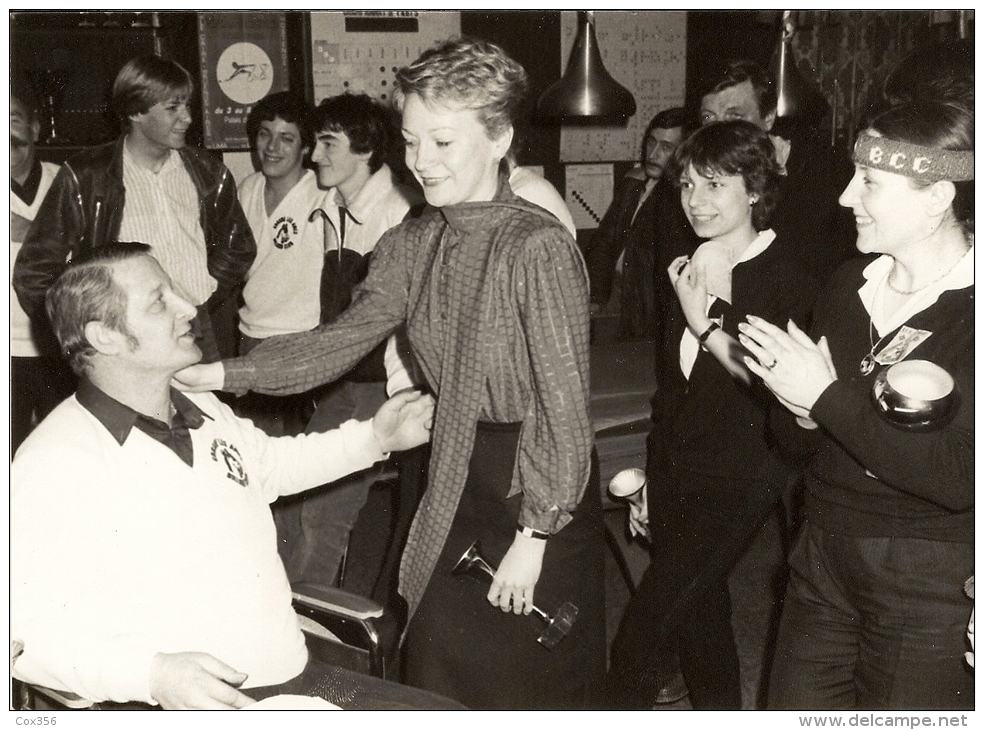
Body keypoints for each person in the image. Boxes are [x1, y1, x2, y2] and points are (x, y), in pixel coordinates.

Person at [175, 37, 606, 710]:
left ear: (499, 138)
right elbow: (338, 342)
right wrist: (223, 372)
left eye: (442, 143)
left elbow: (564, 406)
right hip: (451, 479)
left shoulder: (537, 246)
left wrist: (536, 535)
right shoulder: (414, 240)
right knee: (434, 659)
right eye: (410, 142)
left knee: (527, 685)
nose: (420, 164)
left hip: (534, 484)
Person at [10, 243, 455, 710]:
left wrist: (375, 437)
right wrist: (152, 676)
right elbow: (19, 634)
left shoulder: (201, 407)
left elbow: (272, 466)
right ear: (105, 337)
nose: (188, 306)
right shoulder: (56, 460)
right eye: (160, 301)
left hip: (294, 681)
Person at [739, 101, 974, 710]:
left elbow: (958, 476)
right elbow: (795, 444)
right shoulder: (850, 284)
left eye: (869, 182)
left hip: (928, 576)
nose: (845, 198)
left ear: (937, 196)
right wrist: (798, 407)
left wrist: (823, 394)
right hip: (822, 553)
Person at [606, 120, 816, 709]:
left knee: (639, 636)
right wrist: (653, 481)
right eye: (687, 185)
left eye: (714, 185)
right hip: (679, 470)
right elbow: (671, 394)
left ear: (754, 189)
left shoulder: (787, 277)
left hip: (741, 478)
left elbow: (770, 385)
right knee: (703, 622)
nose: (695, 201)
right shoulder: (689, 264)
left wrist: (707, 320)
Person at [12, 54, 256, 363]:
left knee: (202, 411)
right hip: (123, 335)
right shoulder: (87, 174)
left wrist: (206, 295)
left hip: (196, 326)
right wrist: (81, 327)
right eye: (172, 108)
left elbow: (239, 246)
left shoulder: (208, 171)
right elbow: (34, 270)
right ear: (136, 111)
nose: (187, 119)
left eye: (188, 106)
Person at [275, 92, 423, 590]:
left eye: (328, 143)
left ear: (365, 149)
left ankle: (315, 636)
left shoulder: (400, 214)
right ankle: (286, 612)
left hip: (379, 384)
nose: (314, 155)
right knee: (295, 504)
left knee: (324, 515)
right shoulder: (333, 202)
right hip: (341, 376)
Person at [697, 58, 855, 289]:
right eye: (709, 118)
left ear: (768, 119)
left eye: (734, 117)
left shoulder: (826, 171)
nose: (719, 132)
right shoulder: (693, 178)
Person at [234, 91, 326, 439]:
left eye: (286, 138)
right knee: (257, 447)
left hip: (302, 340)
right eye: (264, 134)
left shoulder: (322, 193)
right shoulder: (248, 189)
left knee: (301, 455)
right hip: (252, 337)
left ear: (305, 147)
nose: (272, 147)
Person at [583, 106, 693, 340]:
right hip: (613, 291)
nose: (653, 154)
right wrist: (595, 297)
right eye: (651, 142)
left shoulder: (684, 199)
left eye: (666, 147)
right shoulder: (634, 183)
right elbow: (604, 241)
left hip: (646, 310)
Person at [10, 72, 76, 454]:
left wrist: (29, 229)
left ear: (36, 127)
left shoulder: (66, 181)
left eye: (15, 119)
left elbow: (92, 247)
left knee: (65, 454)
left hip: (59, 347)